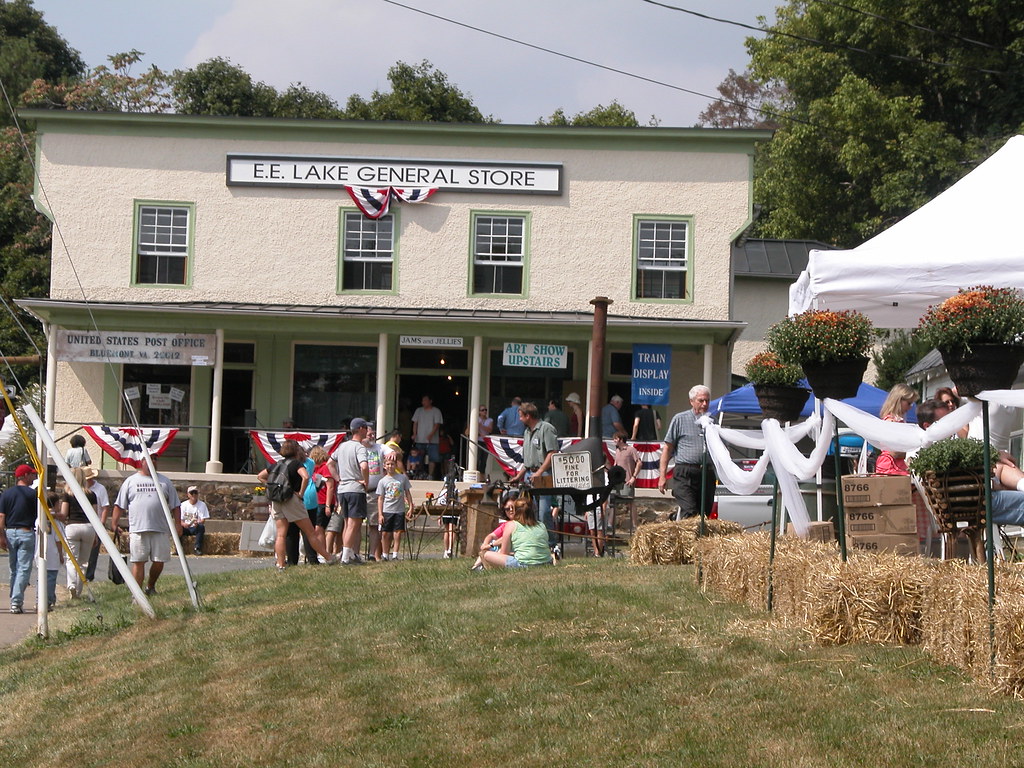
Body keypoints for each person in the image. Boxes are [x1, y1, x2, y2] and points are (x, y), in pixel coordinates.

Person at [258, 439, 337, 571]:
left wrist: (271, 487)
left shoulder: (277, 464)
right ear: (296, 450)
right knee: (310, 532)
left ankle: (281, 563)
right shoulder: (296, 464)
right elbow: (305, 476)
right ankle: (328, 557)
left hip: (278, 500)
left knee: (281, 535)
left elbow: (260, 476)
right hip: (291, 499)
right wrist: (300, 493)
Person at [111, 459, 183, 595]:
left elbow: (175, 505)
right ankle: (137, 595)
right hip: (138, 529)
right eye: (149, 459)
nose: (153, 461)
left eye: (156, 458)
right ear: (141, 461)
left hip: (160, 529)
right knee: (138, 561)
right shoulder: (131, 481)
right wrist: (114, 524)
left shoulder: (165, 482)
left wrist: (178, 525)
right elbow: (119, 505)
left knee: (159, 561)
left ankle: (150, 586)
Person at [658, 385, 716, 519]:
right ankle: (688, 539)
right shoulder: (680, 419)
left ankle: (701, 540)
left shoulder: (713, 421)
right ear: (691, 401)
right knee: (689, 511)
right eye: (701, 400)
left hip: (706, 473)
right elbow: (667, 449)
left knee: (705, 514)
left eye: (707, 400)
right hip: (685, 472)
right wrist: (662, 476)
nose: (705, 404)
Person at [511, 401, 560, 550]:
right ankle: (535, 542)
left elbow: (552, 453)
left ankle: (551, 544)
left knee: (544, 511)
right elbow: (527, 461)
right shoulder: (527, 432)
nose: (519, 419)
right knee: (530, 511)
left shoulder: (546, 428)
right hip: (529, 475)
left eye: (521, 416)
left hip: (545, 474)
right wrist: (519, 475)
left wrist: (539, 473)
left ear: (528, 415)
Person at [327, 417, 370, 564]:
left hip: (343, 489)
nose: (368, 430)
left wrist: (338, 478)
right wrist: (365, 480)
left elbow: (330, 463)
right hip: (355, 489)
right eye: (366, 428)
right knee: (353, 523)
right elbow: (364, 466)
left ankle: (349, 552)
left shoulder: (342, 446)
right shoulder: (359, 447)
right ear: (361, 429)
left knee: (347, 522)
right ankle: (345, 556)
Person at [1, 464, 39, 613]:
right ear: (24, 476)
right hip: (26, 531)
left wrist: (1, 536)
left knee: (14, 568)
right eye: (31, 474)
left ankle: (14, 596)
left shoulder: (7, 494)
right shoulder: (32, 494)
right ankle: (16, 601)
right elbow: (38, 515)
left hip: (10, 532)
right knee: (23, 568)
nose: (33, 477)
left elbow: (1, 516)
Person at [481, 498, 553, 568]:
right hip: (546, 562)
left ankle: (482, 568)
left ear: (515, 510)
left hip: (524, 564)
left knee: (486, 554)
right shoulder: (541, 525)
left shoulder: (511, 525)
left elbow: (504, 553)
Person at [59, 467, 97, 598]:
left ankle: (72, 585)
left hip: (72, 526)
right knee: (83, 562)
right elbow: (94, 516)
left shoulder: (67, 494)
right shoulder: (91, 494)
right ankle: (79, 591)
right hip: (88, 527)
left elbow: (64, 514)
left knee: (71, 559)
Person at [377, 453, 414, 561]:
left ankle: (395, 554)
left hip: (399, 510)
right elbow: (380, 498)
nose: (390, 466)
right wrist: (380, 514)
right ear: (384, 466)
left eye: (392, 464)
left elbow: (407, 493)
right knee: (385, 533)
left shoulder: (402, 478)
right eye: (388, 464)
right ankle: (385, 554)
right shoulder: (382, 481)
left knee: (397, 532)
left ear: (396, 465)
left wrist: (410, 506)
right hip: (387, 510)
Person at [875, 383, 918, 476]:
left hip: (895, 465)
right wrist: (914, 450)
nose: (910, 407)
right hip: (891, 466)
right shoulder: (891, 422)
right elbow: (894, 452)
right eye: (909, 403)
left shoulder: (896, 421)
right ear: (899, 401)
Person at [470, 492, 516, 571]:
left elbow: (505, 539)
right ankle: (476, 567)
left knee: (489, 551)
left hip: (512, 552)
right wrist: (485, 544)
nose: (511, 511)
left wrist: (490, 545)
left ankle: (479, 567)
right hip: (504, 551)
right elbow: (491, 536)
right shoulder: (505, 525)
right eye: (507, 509)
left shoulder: (517, 524)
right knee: (487, 549)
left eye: (514, 508)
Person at [608, 431, 643, 531]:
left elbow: (639, 463)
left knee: (630, 502)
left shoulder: (631, 450)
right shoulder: (617, 451)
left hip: (627, 481)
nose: (614, 440)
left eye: (615, 438)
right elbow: (616, 464)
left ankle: (635, 526)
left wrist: (633, 477)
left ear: (621, 439)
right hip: (616, 482)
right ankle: (610, 524)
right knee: (613, 503)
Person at [362, 425, 387, 562]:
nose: (372, 436)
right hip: (359, 491)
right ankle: (353, 554)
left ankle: (372, 555)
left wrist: (392, 454)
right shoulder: (357, 448)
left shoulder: (380, 448)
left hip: (373, 492)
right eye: (369, 434)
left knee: (373, 525)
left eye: (373, 434)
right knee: (354, 524)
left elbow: (391, 451)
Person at [83, 467, 112, 581]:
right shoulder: (79, 488)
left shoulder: (100, 489)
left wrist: (101, 524)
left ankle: (89, 576)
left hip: (96, 523)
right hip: (82, 522)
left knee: (93, 553)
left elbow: (105, 507)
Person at [310, 445, 335, 561]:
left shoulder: (325, 467)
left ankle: (322, 554)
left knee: (319, 528)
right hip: (316, 501)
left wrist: (327, 505)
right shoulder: (315, 469)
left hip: (324, 501)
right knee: (316, 528)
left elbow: (330, 486)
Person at [411, 395, 443, 479]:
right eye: (422, 401)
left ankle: (430, 475)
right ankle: (419, 474)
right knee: (418, 458)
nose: (423, 402)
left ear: (430, 401)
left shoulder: (436, 411)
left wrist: (431, 435)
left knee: (432, 459)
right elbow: (415, 423)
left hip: (433, 441)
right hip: (420, 440)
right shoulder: (419, 410)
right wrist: (414, 434)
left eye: (425, 400)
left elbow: (437, 425)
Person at [179, 485, 210, 556]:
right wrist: (183, 524)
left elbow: (203, 520)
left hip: (195, 527)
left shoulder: (202, 505)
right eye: (192, 493)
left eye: (195, 493)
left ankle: (197, 548)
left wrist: (198, 522)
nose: (194, 495)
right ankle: (179, 548)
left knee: (201, 527)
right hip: (185, 527)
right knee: (177, 528)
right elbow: (180, 520)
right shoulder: (183, 505)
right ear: (188, 494)